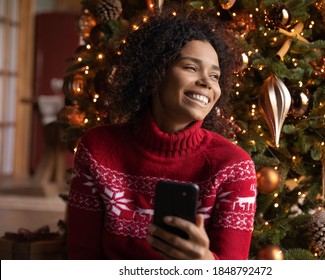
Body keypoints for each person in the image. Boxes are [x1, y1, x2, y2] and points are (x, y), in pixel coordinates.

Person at [67, 6, 257, 260]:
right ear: (155, 73)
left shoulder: (234, 166)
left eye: (215, 75)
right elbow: (82, 258)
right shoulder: (97, 149)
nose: (208, 82)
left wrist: (205, 264)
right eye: (191, 67)